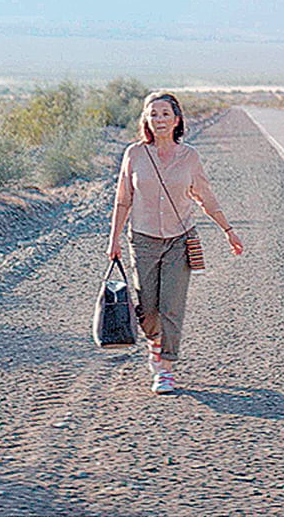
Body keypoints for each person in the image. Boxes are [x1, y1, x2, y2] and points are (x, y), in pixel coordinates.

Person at [108, 92, 244, 395]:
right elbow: (122, 200)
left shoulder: (189, 156)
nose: (159, 120)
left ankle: (165, 367)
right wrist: (114, 238)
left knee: (172, 306)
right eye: (153, 114)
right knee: (149, 309)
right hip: (142, 240)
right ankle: (155, 343)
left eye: (165, 114)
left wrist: (228, 230)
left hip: (179, 240)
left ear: (177, 119)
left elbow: (205, 197)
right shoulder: (134, 154)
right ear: (146, 119)